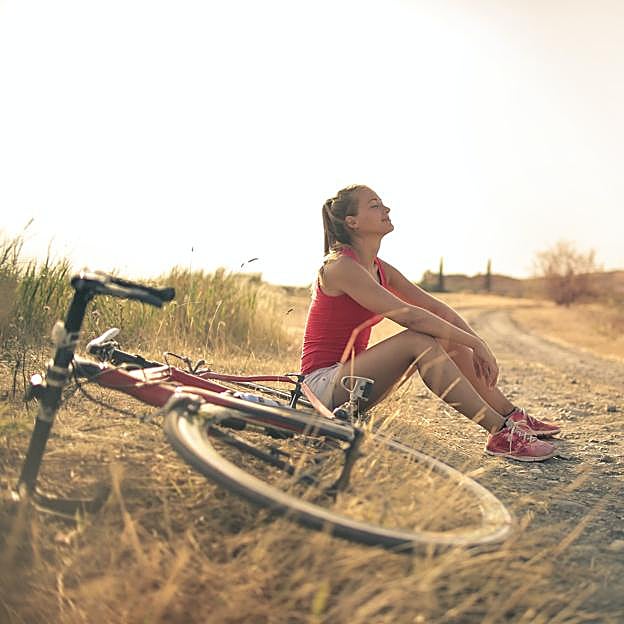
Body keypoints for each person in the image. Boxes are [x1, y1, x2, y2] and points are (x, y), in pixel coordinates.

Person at [300, 184, 560, 461]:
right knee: (418, 339)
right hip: (320, 388)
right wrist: (473, 342)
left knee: (444, 334)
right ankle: (500, 433)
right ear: (352, 222)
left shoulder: (379, 268)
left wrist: (476, 343)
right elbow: (409, 315)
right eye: (374, 205)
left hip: (355, 385)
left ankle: (511, 416)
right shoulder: (340, 266)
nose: (386, 209)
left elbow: (435, 307)